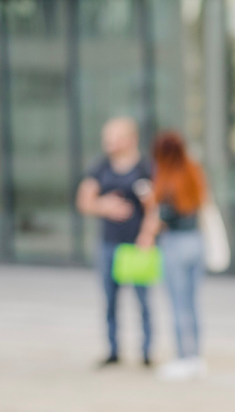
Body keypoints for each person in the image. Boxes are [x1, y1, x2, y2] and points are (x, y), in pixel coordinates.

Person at [76, 117, 154, 367]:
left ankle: (146, 352)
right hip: (109, 245)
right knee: (110, 301)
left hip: (137, 247)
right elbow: (84, 201)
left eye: (115, 138)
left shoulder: (145, 168)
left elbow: (154, 206)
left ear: (131, 139)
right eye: (106, 138)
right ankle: (113, 350)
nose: (109, 144)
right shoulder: (100, 167)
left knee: (143, 301)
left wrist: (147, 235)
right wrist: (104, 206)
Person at [137, 131, 209, 381]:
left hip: (176, 245)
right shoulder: (193, 171)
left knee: (178, 304)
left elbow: (165, 216)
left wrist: (150, 205)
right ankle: (196, 357)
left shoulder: (167, 178)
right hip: (196, 242)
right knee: (192, 303)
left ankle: (182, 358)